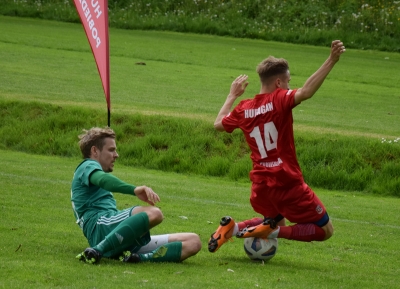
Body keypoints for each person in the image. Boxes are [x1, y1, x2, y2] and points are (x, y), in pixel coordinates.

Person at [208, 40, 346, 253]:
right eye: (289, 81)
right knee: (325, 230)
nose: (290, 86)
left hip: (261, 186)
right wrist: (331, 60)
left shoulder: (244, 108)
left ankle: (232, 228)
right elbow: (307, 91)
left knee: (275, 219)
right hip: (287, 183)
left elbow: (218, 124)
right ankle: (270, 232)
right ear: (279, 83)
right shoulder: (281, 98)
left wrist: (232, 96)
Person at [71, 127, 201, 264]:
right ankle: (97, 250)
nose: (116, 155)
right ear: (94, 151)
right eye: (111, 150)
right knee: (154, 213)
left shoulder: (91, 170)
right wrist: (134, 189)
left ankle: (137, 258)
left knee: (193, 241)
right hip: (101, 227)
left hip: (115, 233)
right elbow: (104, 180)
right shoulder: (86, 166)